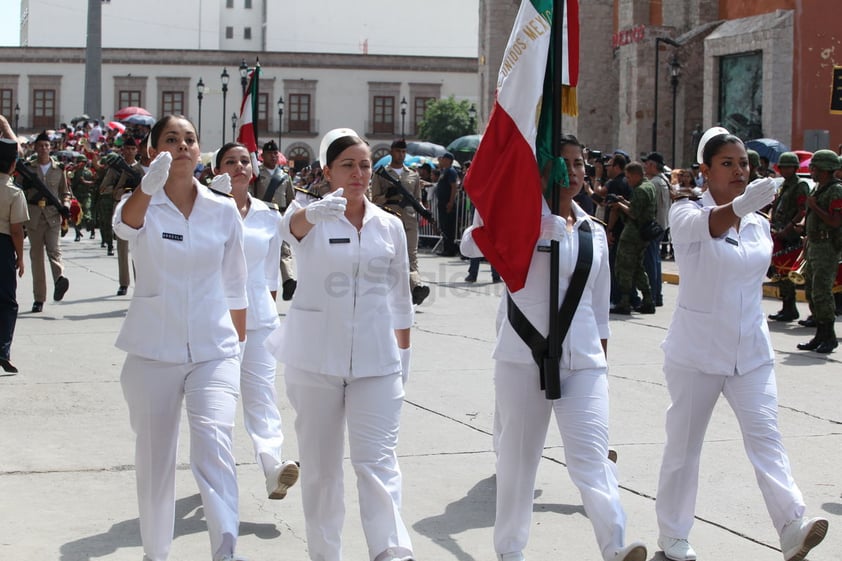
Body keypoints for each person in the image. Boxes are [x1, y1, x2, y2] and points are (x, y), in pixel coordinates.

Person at [461, 135, 647, 561]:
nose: (576, 171)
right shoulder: (519, 219)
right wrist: (521, 226)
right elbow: (470, 242)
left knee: (592, 459)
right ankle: (510, 550)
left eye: (581, 163)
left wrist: (602, 359)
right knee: (518, 462)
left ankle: (616, 545)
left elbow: (599, 311)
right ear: (543, 171)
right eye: (565, 163)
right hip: (522, 355)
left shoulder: (593, 231)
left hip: (581, 359)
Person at [656, 127, 827, 561]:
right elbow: (710, 228)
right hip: (697, 354)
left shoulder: (757, 223)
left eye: (743, 164)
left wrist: (753, 211)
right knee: (684, 448)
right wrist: (741, 204)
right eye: (727, 164)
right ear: (705, 171)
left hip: (750, 352)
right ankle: (673, 534)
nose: (738, 171)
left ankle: (792, 526)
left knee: (767, 439)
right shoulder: (686, 212)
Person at [264, 128, 415, 561]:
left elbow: (400, 299)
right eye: (347, 164)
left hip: (377, 362)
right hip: (315, 362)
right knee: (324, 471)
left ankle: (391, 550)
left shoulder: (388, 226)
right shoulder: (310, 214)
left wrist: (403, 360)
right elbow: (286, 231)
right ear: (327, 171)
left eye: (365, 164)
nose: (357, 173)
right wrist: (314, 214)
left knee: (378, 463)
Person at [112, 115, 249, 561]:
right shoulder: (142, 204)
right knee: (155, 462)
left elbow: (236, 285)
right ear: (155, 151)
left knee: (214, 443)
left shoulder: (221, 208)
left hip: (214, 349)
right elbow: (123, 228)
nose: (183, 145)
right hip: (153, 351)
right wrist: (147, 188)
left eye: (190, 139)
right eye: (171, 139)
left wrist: (239, 348)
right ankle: (156, 553)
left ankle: (225, 548)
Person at [214, 142, 300, 500]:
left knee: (262, 397)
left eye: (243, 161)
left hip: (258, 317)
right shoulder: (204, 211)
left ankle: (272, 466)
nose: (238, 167)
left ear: (254, 170)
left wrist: (268, 311)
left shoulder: (268, 215)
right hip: (214, 318)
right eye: (230, 162)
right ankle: (216, 475)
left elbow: (269, 275)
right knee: (217, 403)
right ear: (217, 171)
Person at [370, 139, 431, 305]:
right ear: (391, 152)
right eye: (398, 151)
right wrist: (388, 196)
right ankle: (389, 292)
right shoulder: (381, 173)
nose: (401, 155)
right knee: (388, 257)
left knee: (411, 256)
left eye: (404, 152)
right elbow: (374, 199)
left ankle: (417, 287)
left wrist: (423, 211)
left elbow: (417, 199)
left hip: (409, 220)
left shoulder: (413, 174)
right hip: (388, 219)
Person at [795, 149, 841, 354]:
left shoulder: (835, 191)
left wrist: (815, 206)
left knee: (822, 292)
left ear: (824, 169)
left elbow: (835, 221)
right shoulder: (818, 188)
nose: (811, 170)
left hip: (827, 248)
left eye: (814, 167)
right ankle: (819, 335)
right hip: (814, 244)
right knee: (812, 292)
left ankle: (829, 337)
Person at [21, 131, 71, 313]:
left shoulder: (59, 169)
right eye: (40, 145)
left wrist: (65, 205)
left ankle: (59, 279)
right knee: (36, 258)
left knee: (54, 250)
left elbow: (65, 192)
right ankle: (39, 298)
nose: (43, 149)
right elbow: (19, 191)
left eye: (46, 146)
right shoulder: (28, 168)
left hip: (52, 215)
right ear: (35, 147)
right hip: (34, 215)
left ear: (51, 148)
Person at [768, 152, 810, 322]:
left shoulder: (800, 186)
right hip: (780, 231)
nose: (784, 170)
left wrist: (789, 227)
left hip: (791, 234)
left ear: (795, 168)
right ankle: (787, 307)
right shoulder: (784, 185)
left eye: (788, 167)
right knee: (780, 272)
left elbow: (802, 210)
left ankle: (790, 308)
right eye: (782, 167)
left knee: (787, 271)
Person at [253, 140, 297, 301]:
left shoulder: (284, 176)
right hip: (263, 216)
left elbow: (291, 198)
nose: (273, 156)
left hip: (280, 216)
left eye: (275, 153)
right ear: (262, 155)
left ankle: (288, 281)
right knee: (265, 251)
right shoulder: (257, 175)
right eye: (270, 153)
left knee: (285, 250)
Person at [610, 161, 656, 315]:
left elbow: (634, 213)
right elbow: (639, 208)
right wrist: (625, 202)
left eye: (629, 178)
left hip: (633, 234)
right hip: (642, 233)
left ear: (637, 175)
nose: (628, 181)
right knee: (637, 267)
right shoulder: (649, 186)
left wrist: (619, 205)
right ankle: (648, 299)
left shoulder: (640, 190)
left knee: (624, 266)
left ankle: (624, 302)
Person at [0, 136, 27, 374]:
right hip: (3, 245)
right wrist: (20, 257)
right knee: (7, 302)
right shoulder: (14, 193)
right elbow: (16, 230)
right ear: (12, 165)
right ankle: (3, 350)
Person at [435, 151, 460, 257]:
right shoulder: (444, 171)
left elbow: (453, 187)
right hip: (442, 203)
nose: (442, 160)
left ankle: (450, 250)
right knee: (444, 226)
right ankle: (446, 248)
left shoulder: (451, 171)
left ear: (449, 160)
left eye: (444, 159)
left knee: (448, 227)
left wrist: (450, 202)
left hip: (447, 203)